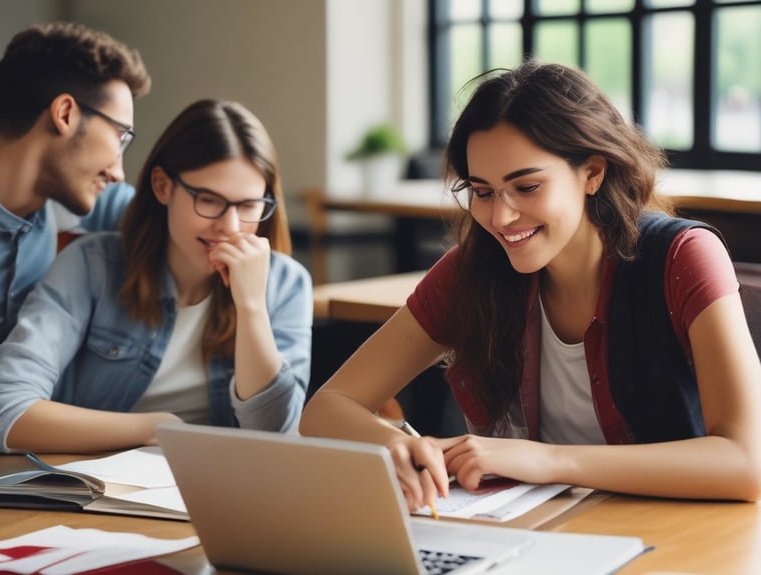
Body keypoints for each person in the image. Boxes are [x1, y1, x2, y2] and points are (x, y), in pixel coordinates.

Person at [300, 59, 761, 510]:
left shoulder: (683, 256)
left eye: (526, 187)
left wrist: (550, 461)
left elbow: (746, 462)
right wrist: (397, 444)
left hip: (675, 543)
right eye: (482, 191)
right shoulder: (473, 270)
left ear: (593, 173)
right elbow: (326, 409)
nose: (500, 217)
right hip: (532, 539)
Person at [0, 98, 313, 453]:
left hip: (224, 497)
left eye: (249, 205)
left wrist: (251, 306)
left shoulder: (287, 285)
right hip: (95, 489)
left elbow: (275, 435)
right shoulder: (92, 265)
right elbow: (5, 409)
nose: (230, 227)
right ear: (163, 187)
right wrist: (153, 428)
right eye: (208, 200)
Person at [0, 21, 150, 346]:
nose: (118, 173)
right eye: (120, 137)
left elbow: (168, 219)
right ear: (65, 114)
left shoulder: (66, 196)